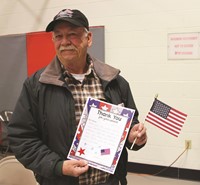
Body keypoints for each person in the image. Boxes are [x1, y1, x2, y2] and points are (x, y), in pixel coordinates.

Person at [8, 8, 147, 185]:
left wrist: (134, 136)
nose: (64, 42)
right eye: (58, 36)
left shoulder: (115, 82)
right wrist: (58, 166)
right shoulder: (36, 86)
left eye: (72, 34)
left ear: (88, 38)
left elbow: (130, 125)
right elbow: (22, 138)